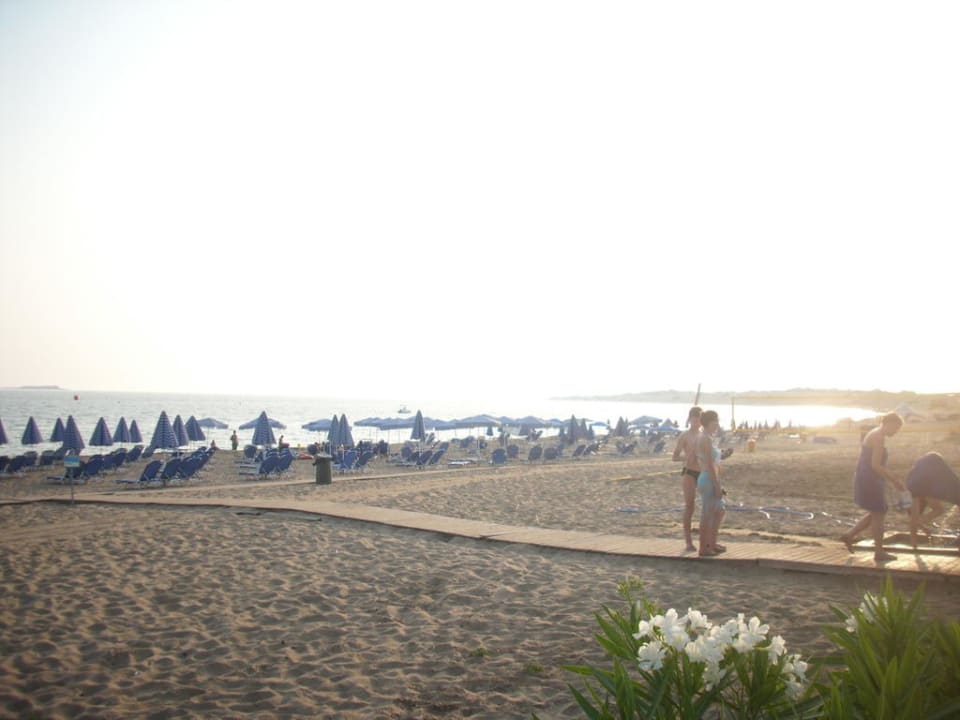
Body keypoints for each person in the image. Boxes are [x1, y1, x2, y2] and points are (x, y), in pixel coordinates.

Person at [840, 412, 905, 562]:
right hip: (869, 478)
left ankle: (849, 535)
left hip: (869, 476)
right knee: (879, 513)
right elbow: (875, 465)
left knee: (877, 511)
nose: (896, 432)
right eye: (896, 428)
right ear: (889, 423)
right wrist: (894, 479)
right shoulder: (878, 437)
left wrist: (887, 478)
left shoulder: (875, 433)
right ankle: (879, 552)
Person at [906, 451, 960, 547]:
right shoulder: (935, 463)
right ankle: (918, 531)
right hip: (925, 488)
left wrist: (922, 527)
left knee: (917, 516)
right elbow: (951, 480)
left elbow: (912, 518)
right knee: (938, 510)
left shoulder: (919, 466)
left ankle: (913, 543)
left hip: (913, 487)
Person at [695, 410, 726, 557]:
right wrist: (717, 485)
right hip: (708, 478)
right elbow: (708, 464)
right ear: (707, 423)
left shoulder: (707, 438)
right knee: (708, 513)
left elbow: (714, 462)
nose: (717, 425)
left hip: (710, 476)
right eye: (715, 422)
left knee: (719, 511)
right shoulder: (704, 439)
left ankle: (712, 543)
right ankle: (704, 547)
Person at [672, 406, 703, 552]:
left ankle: (708, 540)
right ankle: (688, 542)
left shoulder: (704, 435)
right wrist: (686, 457)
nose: (696, 422)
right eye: (694, 419)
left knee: (709, 506)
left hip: (703, 472)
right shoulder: (685, 435)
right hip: (689, 472)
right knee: (690, 506)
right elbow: (675, 457)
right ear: (690, 419)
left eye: (699, 419)